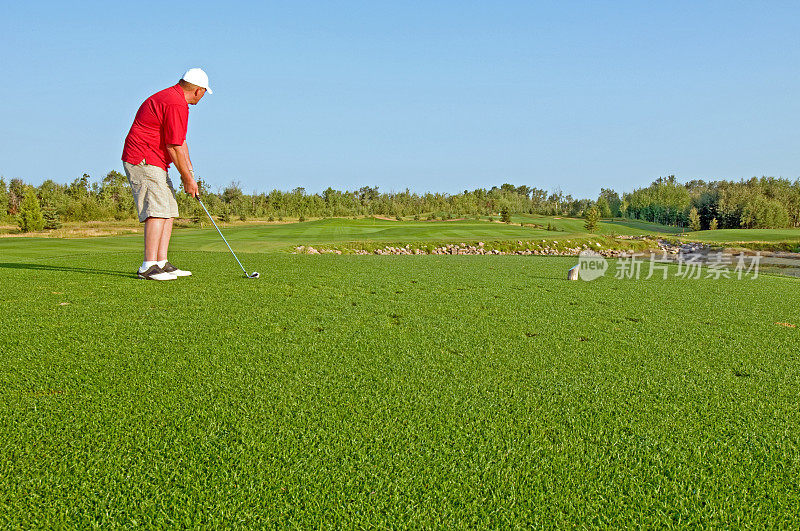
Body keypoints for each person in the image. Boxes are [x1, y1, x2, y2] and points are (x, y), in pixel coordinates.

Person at [121, 68, 212, 280]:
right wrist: (187, 179)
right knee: (157, 209)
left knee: (169, 209)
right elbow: (173, 146)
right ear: (198, 91)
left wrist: (189, 173)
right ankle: (148, 266)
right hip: (143, 158)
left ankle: (161, 262)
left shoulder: (177, 101)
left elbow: (180, 141)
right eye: (204, 93)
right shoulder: (174, 102)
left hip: (157, 160)